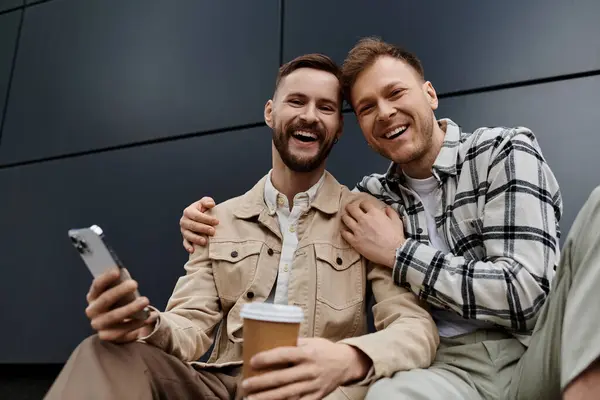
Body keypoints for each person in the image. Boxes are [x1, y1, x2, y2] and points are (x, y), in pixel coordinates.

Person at [179, 38, 600, 399]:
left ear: (430, 94)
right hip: (445, 369)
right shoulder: (370, 198)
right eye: (366, 107)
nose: (384, 112)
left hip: (535, 347)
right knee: (387, 395)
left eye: (396, 93)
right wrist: (207, 222)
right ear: (358, 127)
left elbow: (526, 297)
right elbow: (298, 219)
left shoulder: (503, 152)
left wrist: (401, 252)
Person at [45, 53, 438, 400]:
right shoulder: (219, 219)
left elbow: (414, 330)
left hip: (315, 390)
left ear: (338, 127)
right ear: (270, 112)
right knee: (103, 352)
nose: (309, 116)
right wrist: (144, 322)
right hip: (224, 384)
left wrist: (344, 361)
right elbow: (188, 328)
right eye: (296, 101)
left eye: (326, 107)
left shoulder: (365, 218)